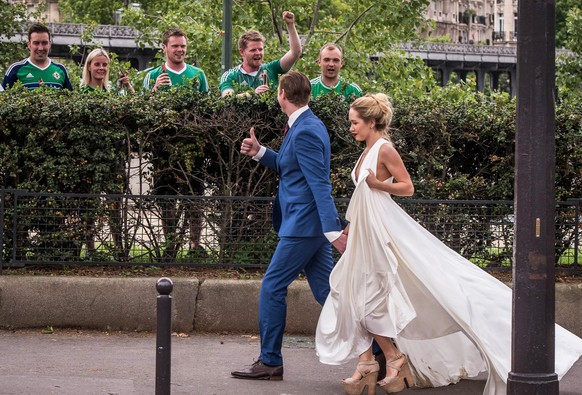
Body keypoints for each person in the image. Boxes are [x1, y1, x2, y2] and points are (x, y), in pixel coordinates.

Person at [315, 93, 582, 395]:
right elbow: (361, 199)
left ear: (372, 122)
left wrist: (379, 184)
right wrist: (350, 229)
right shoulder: (365, 152)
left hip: (383, 233)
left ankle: (385, 361)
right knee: (349, 295)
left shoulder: (384, 149)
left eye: (355, 123)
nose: (351, 128)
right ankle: (378, 361)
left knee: (380, 297)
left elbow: (407, 187)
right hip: (365, 232)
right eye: (351, 123)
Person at [232, 71, 347, 381]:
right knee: (329, 292)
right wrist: (261, 153)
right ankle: (380, 350)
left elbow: (319, 184)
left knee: (272, 287)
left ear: (282, 94)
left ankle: (270, 361)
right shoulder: (306, 125)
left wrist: (333, 230)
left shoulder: (306, 130)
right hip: (309, 226)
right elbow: (291, 166)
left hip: (303, 227)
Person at [220, 11, 301, 97]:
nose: (258, 53)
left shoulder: (272, 69)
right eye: (253, 50)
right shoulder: (231, 75)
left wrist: (290, 25)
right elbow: (227, 98)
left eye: (260, 49)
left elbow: (295, 52)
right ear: (242, 52)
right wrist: (253, 94)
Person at [1, 23, 73, 91]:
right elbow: (3, 98)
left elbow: (71, 99)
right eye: (36, 43)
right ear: (29, 45)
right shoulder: (16, 69)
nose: (40, 48)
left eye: (44, 43)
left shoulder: (60, 69)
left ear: (50, 44)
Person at [142, 28, 208, 93]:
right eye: (175, 46)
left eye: (183, 46)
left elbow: (207, 102)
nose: (179, 49)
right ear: (164, 47)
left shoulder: (198, 74)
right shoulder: (152, 75)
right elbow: (142, 102)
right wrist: (155, 89)